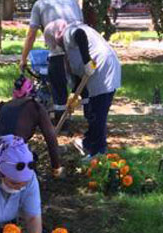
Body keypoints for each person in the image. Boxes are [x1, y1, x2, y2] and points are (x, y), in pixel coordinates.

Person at [44, 19, 121, 159]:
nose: (58, 46)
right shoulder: (69, 44)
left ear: (56, 35)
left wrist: (87, 62)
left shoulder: (69, 32)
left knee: (98, 114)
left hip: (102, 70)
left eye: (56, 43)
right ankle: (88, 143)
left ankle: (98, 152)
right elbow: (79, 77)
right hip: (104, 70)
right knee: (94, 111)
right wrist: (73, 97)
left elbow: (80, 35)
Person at [20, 0, 83, 128]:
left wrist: (23, 59)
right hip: (78, 53)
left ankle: (62, 125)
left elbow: (31, 34)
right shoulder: (73, 2)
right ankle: (91, 123)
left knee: (58, 89)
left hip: (57, 53)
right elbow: (82, 27)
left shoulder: (40, 4)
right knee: (82, 88)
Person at [0, 76, 63, 176]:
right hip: (12, 158)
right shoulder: (35, 107)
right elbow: (51, 138)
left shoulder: (5, 106)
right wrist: (56, 167)